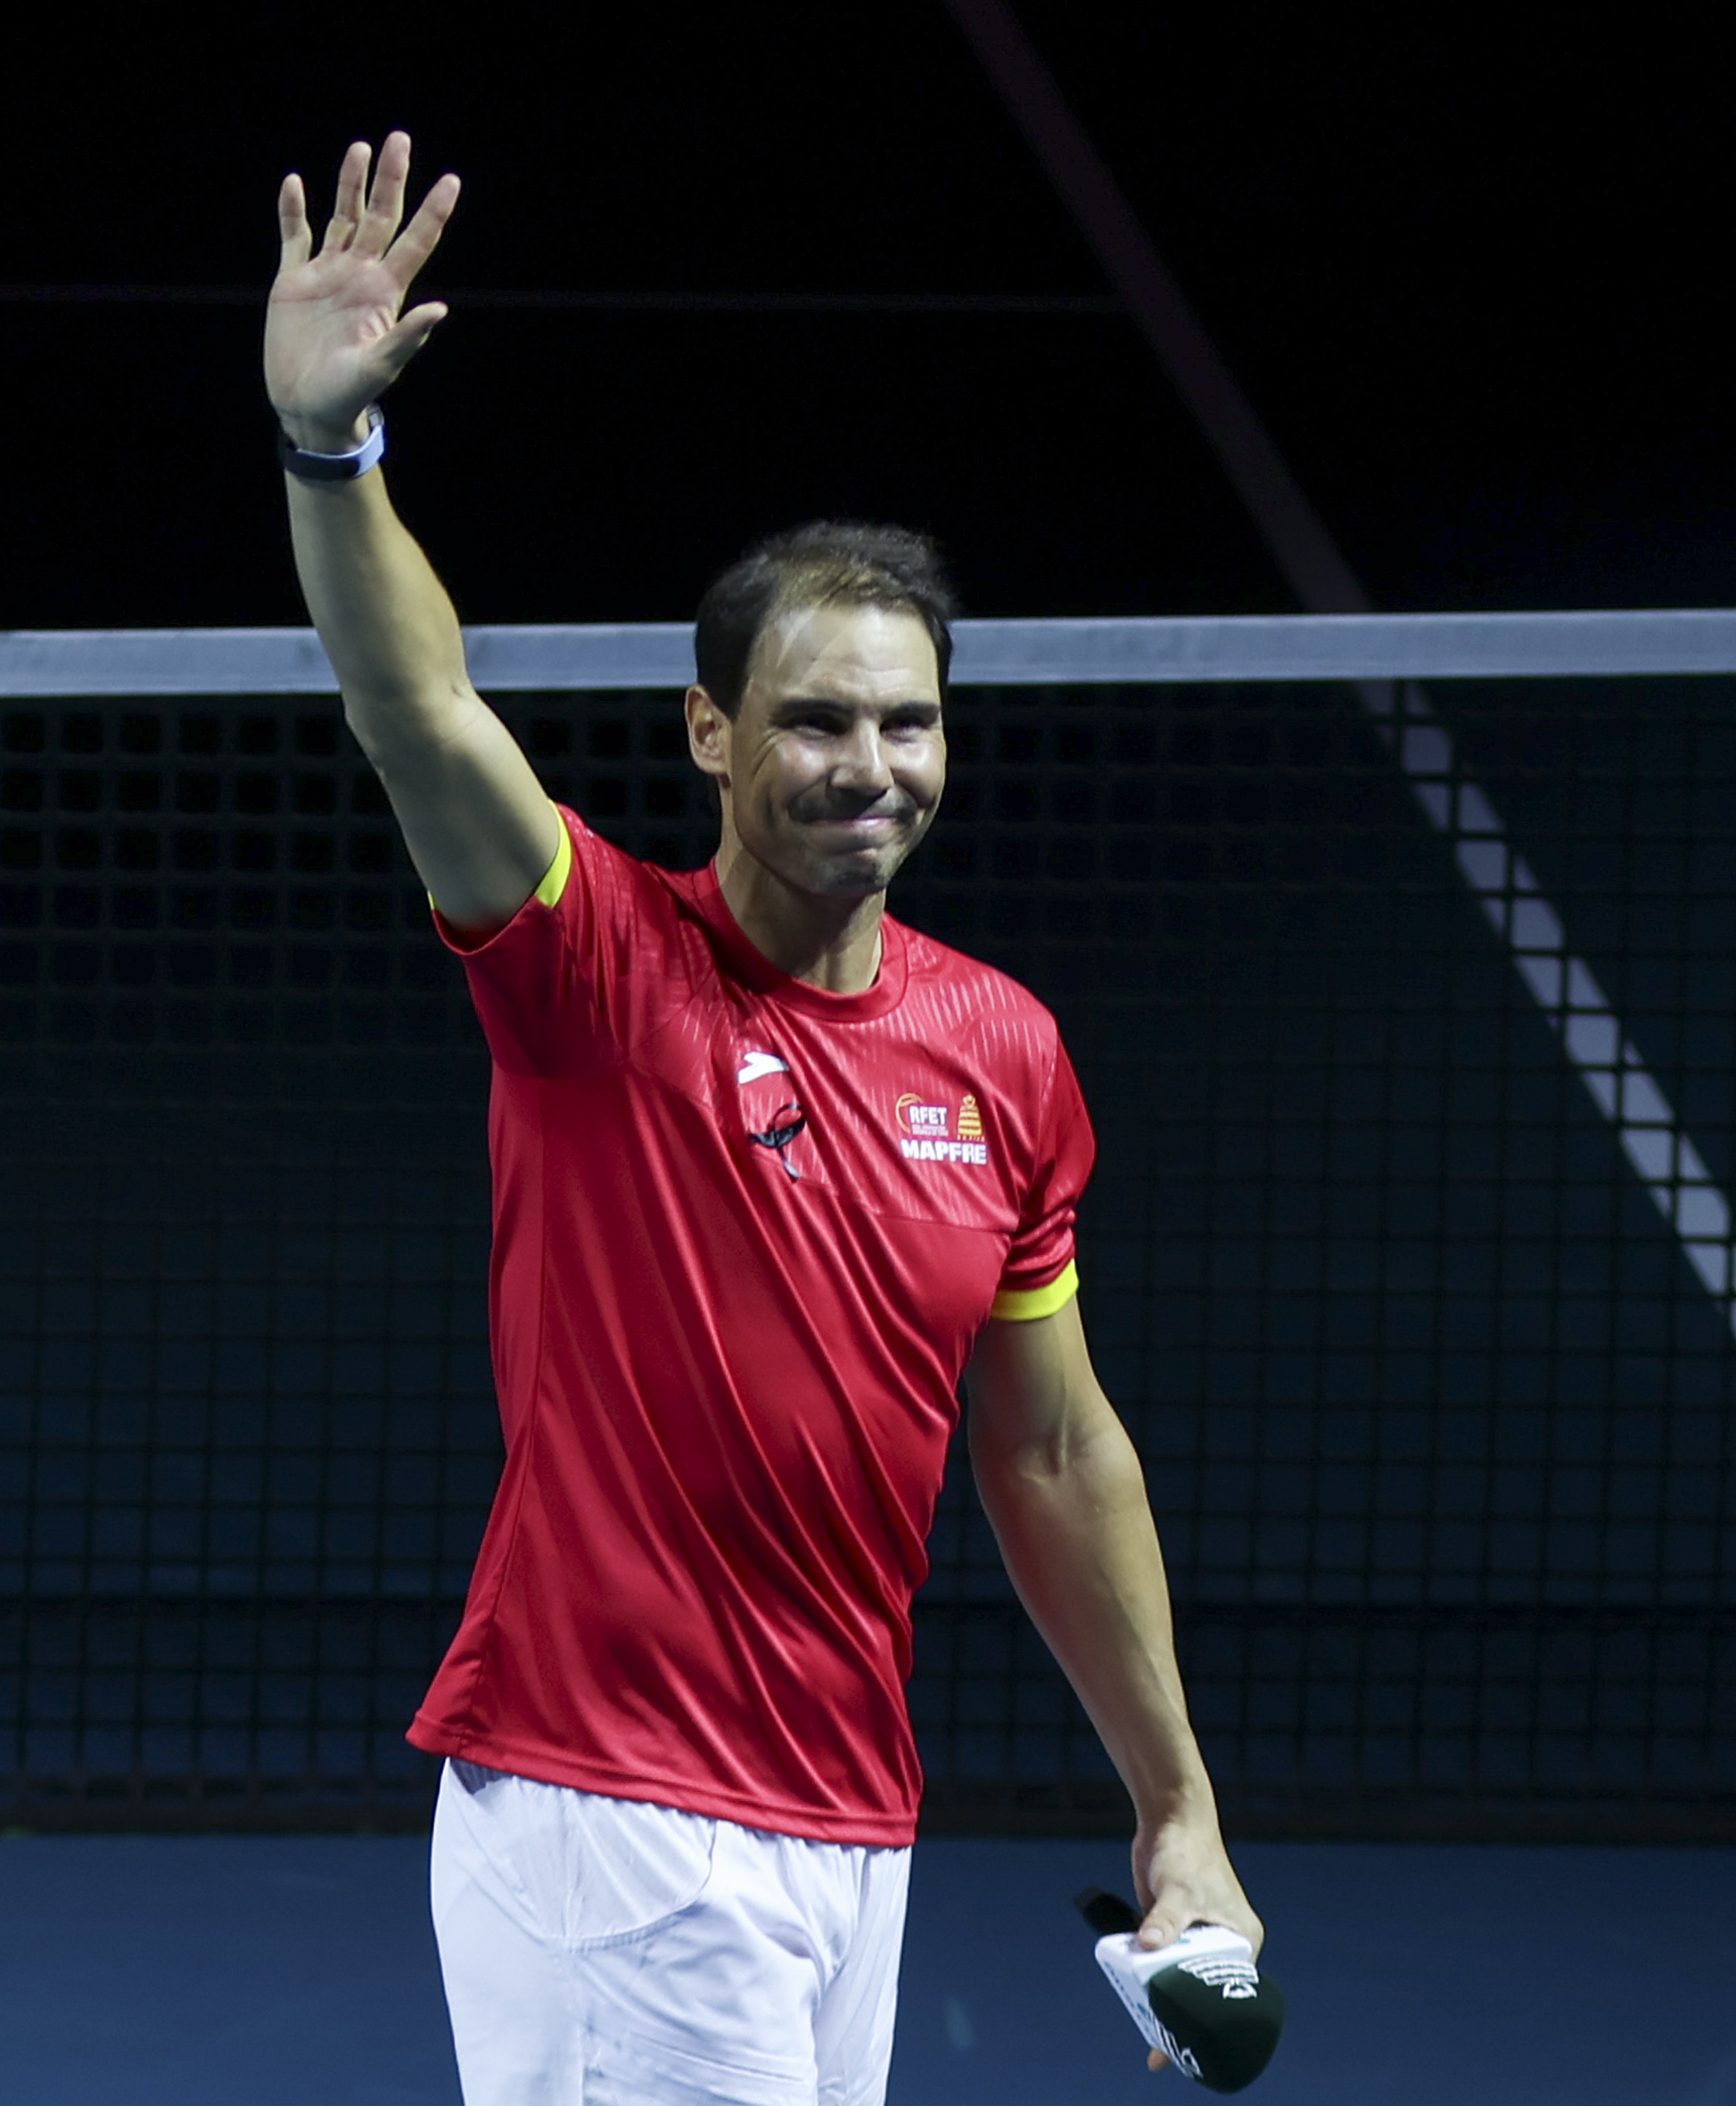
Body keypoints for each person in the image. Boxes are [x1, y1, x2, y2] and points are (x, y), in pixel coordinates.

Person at [264, 132, 1263, 2105]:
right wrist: (326, 455)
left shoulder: (1001, 1050)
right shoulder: (590, 969)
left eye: (902, 721)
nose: (862, 766)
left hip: (841, 1817)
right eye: (810, 720)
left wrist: (1177, 1805)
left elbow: (1050, 1446)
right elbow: (418, 709)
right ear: (711, 730)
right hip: (611, 1803)